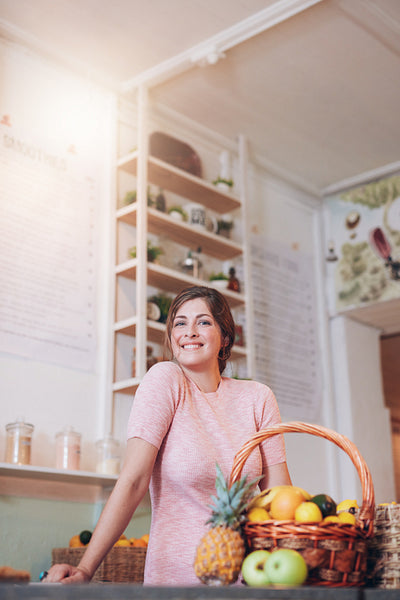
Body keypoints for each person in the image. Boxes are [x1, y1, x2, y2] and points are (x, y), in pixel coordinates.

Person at [46, 285, 291, 585]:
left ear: (225, 337)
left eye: (203, 322)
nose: (189, 331)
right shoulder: (164, 380)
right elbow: (134, 480)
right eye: (180, 323)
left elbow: (280, 499)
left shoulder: (258, 397)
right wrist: (85, 569)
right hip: (176, 582)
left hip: (252, 580)